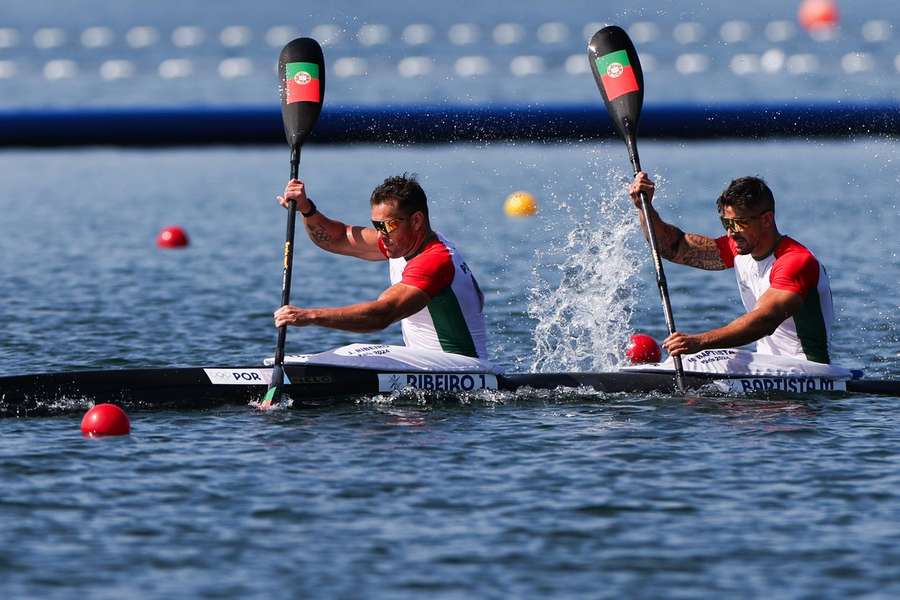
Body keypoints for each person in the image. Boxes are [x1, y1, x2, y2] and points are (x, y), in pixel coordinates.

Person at [273, 174, 489, 360]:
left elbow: (383, 314)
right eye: (376, 225)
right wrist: (306, 209)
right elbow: (335, 238)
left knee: (360, 354)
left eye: (386, 226)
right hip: (429, 369)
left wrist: (310, 316)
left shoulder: (434, 260)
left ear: (416, 221)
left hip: (462, 372)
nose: (380, 235)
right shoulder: (400, 242)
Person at [628, 172, 834, 364]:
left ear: (766, 219)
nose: (730, 233)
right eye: (725, 223)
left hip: (806, 370)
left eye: (737, 223)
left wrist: (698, 342)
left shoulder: (795, 261)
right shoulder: (738, 249)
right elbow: (673, 248)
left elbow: (765, 320)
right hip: (768, 365)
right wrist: (644, 207)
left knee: (698, 358)